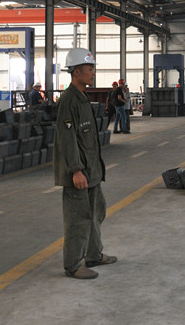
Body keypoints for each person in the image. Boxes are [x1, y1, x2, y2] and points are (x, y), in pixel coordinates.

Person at [53, 48, 117, 280]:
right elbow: (67, 139)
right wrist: (76, 170)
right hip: (79, 173)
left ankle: (93, 255)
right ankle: (72, 265)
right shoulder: (69, 101)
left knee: (96, 212)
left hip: (92, 171)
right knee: (78, 219)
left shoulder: (82, 99)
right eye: (90, 69)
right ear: (77, 72)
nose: (93, 72)